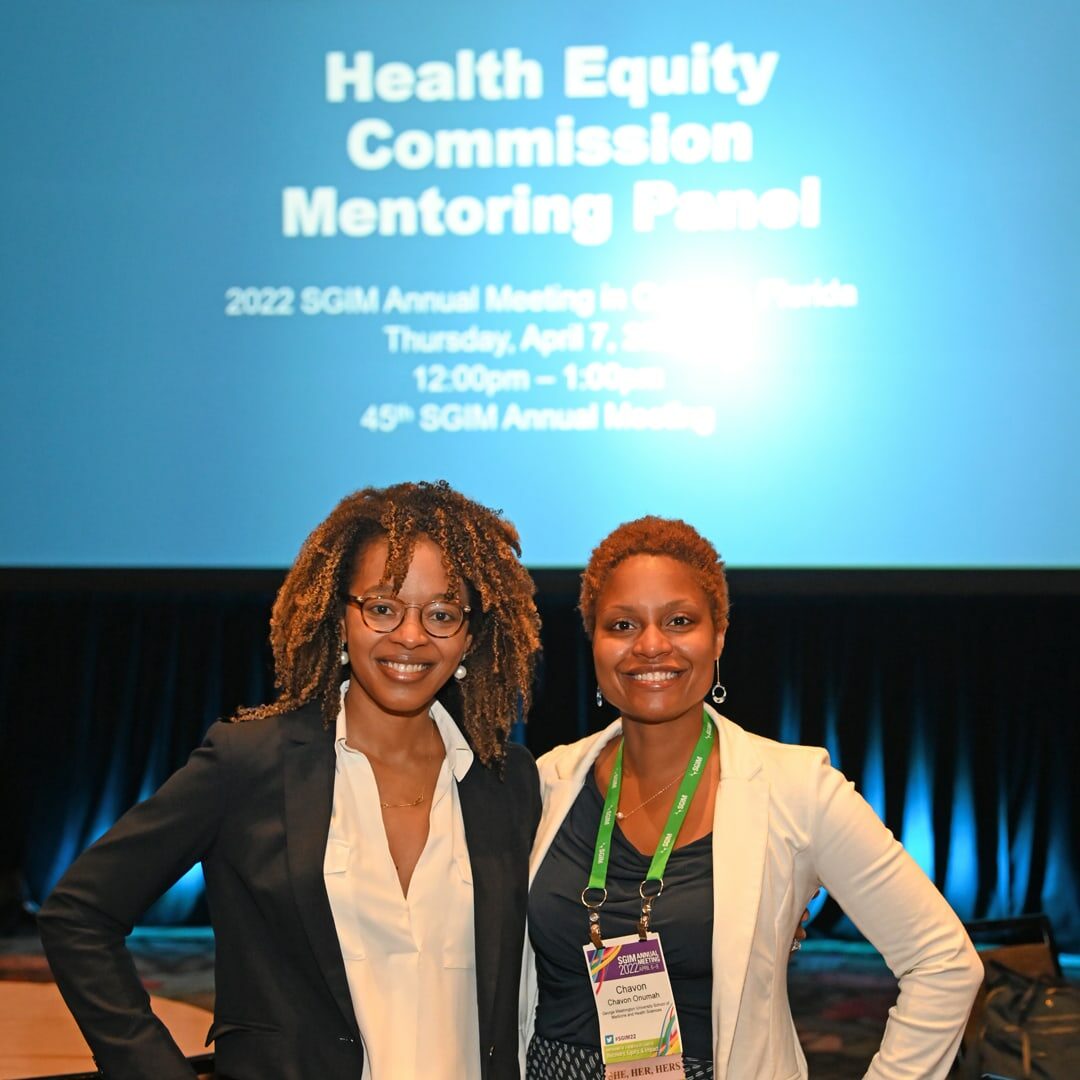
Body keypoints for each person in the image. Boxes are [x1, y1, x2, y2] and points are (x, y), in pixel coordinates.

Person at [39, 480, 543, 1080]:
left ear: (469, 635)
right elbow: (78, 915)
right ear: (340, 616)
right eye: (383, 607)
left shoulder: (506, 781)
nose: (411, 636)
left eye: (441, 614)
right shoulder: (251, 761)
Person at [520, 516, 982, 1080]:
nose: (650, 645)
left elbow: (944, 963)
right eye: (621, 624)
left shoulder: (796, 790)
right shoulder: (547, 782)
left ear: (718, 635)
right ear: (593, 639)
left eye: (679, 620)